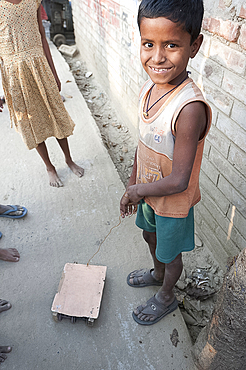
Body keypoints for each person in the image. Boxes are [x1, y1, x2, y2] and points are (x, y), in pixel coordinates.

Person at [120, 0, 211, 325]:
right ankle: (158, 275)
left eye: (171, 45)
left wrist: (137, 190)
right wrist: (134, 185)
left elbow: (179, 180)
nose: (157, 57)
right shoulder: (151, 86)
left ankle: (167, 294)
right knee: (150, 238)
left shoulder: (188, 108)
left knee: (170, 254)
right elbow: (142, 145)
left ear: (194, 45)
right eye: (149, 44)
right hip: (148, 195)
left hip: (171, 204)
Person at [0, 0, 84, 187]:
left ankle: (68, 160)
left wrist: (54, 72)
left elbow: (42, 37)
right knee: (31, 122)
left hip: (40, 67)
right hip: (15, 75)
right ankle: (49, 167)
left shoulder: (33, 1)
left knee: (55, 113)